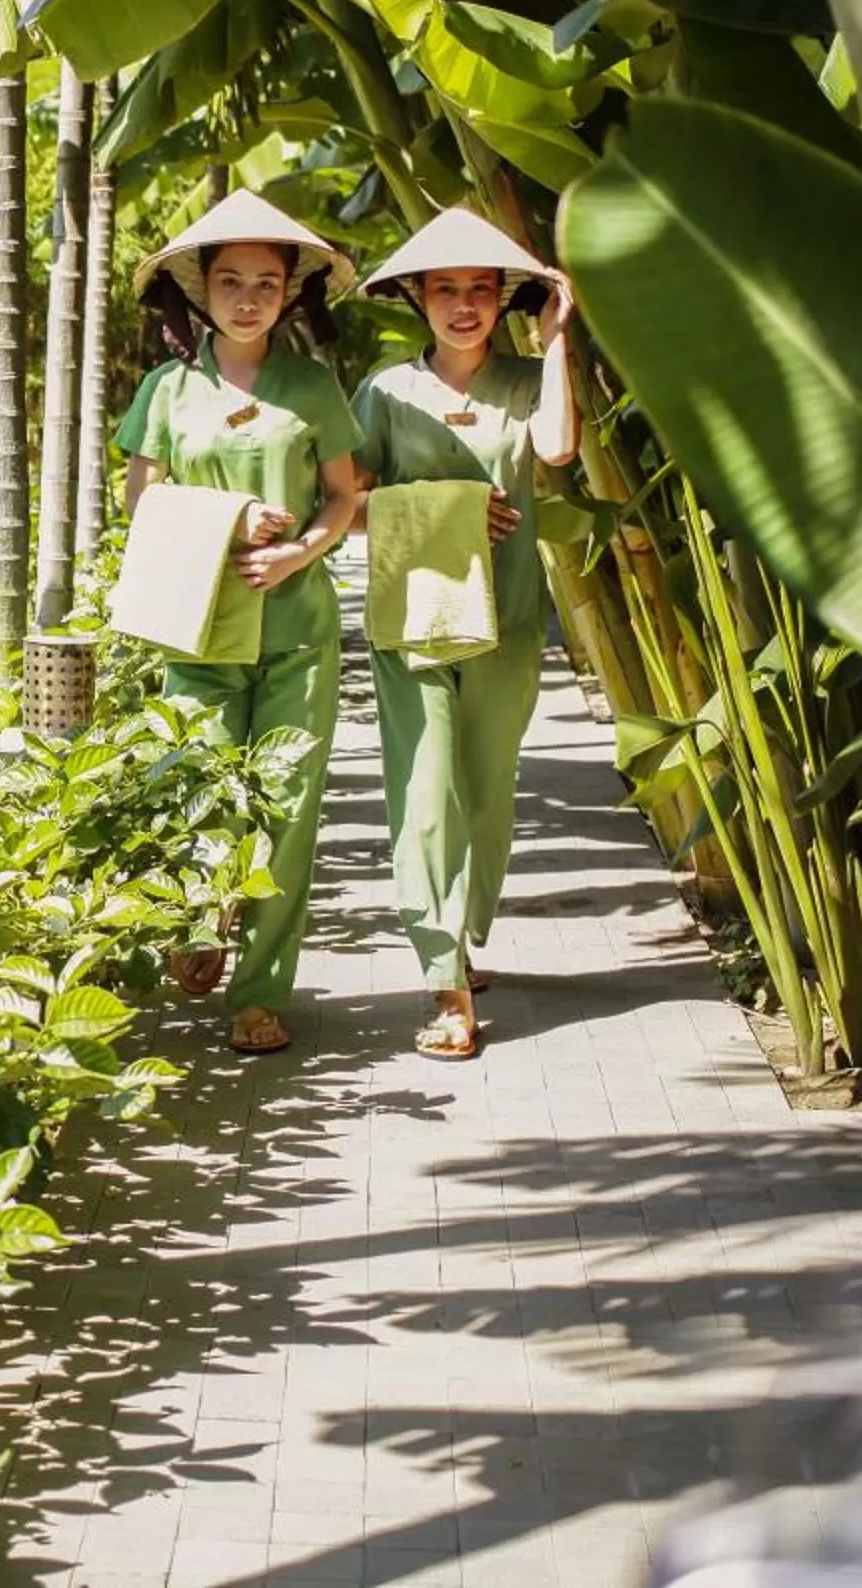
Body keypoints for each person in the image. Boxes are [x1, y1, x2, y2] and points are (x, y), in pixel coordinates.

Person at [113, 190, 367, 1056]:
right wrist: (232, 517)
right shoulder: (166, 389)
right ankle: (197, 923)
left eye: (267, 281)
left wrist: (301, 552)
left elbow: (343, 497)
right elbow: (140, 501)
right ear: (202, 291)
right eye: (231, 281)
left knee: (288, 815)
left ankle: (258, 995)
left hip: (298, 630)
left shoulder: (312, 387)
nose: (249, 297)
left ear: (292, 293)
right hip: (195, 622)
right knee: (194, 794)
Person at [351, 207, 582, 1063]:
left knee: (487, 793)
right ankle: (444, 979)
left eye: (479, 289)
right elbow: (345, 509)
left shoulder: (525, 383)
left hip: (510, 619)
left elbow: (557, 450)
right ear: (416, 296)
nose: (462, 305)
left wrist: (558, 338)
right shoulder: (384, 392)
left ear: (500, 300)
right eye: (444, 289)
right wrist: (440, 513)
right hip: (413, 617)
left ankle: (464, 927)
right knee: (424, 791)